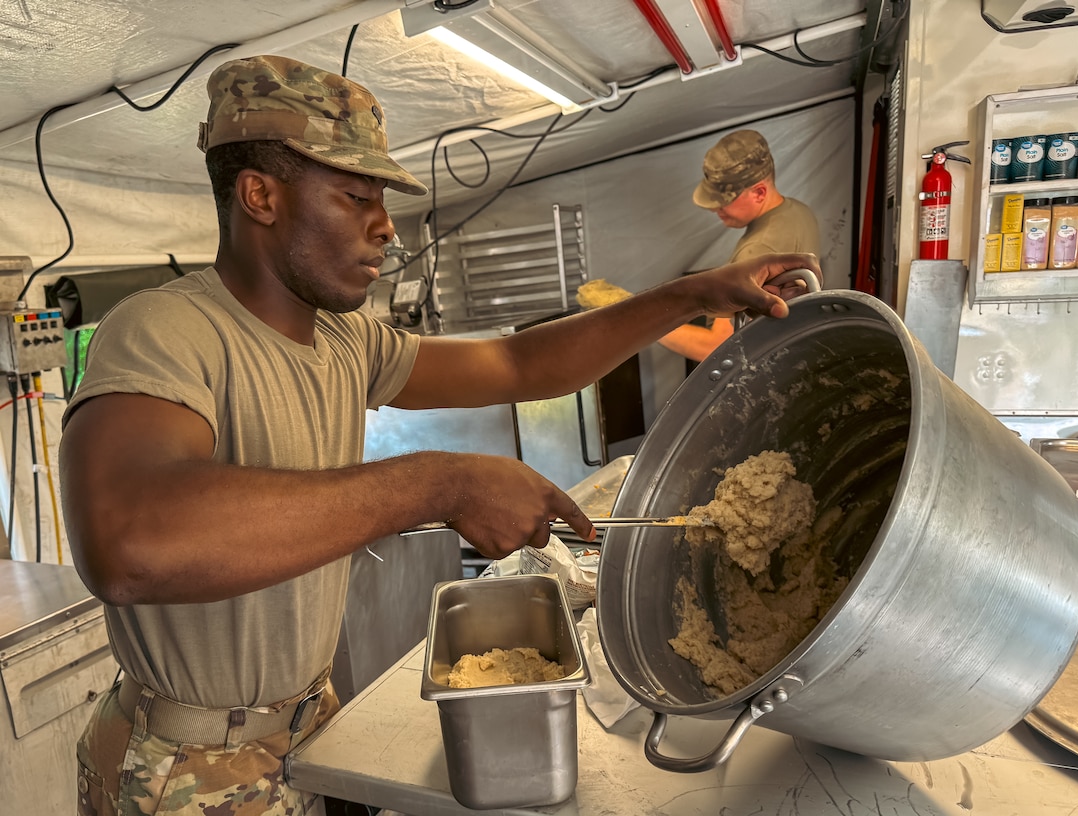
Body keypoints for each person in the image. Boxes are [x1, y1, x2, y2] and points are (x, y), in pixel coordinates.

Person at [59, 55, 821, 816]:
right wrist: (441, 483)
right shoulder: (165, 330)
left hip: (303, 726)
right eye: (356, 196)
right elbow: (131, 544)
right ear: (259, 195)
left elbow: (519, 363)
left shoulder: (345, 339)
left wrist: (688, 295)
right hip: (185, 767)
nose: (385, 226)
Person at [657, 129, 822, 362]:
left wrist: (645, 322)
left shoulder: (758, 251)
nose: (715, 209)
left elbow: (716, 349)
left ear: (759, 192)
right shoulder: (798, 211)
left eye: (723, 202)